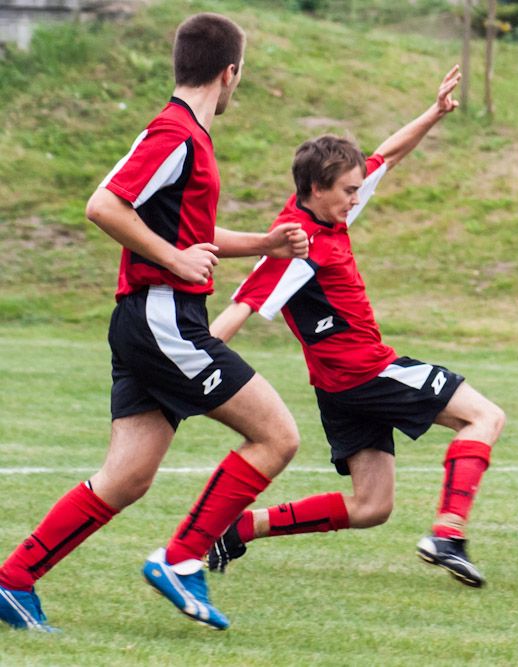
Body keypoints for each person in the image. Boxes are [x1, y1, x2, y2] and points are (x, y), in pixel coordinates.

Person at [0, 13, 307, 632]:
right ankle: (182, 559)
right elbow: (103, 205)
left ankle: (13, 580)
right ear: (229, 73)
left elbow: (190, 231)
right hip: (163, 316)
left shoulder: (186, 135)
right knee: (277, 436)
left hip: (149, 318)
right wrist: (172, 259)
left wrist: (264, 244)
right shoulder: (176, 135)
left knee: (127, 477)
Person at [205, 66, 504, 588]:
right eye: (348, 190)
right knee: (485, 417)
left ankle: (239, 528)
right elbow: (241, 308)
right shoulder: (294, 245)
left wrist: (434, 112)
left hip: (338, 389)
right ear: (316, 188)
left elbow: (388, 154)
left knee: (371, 507)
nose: (356, 197)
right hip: (367, 373)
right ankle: (449, 534)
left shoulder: (331, 210)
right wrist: (191, 364)